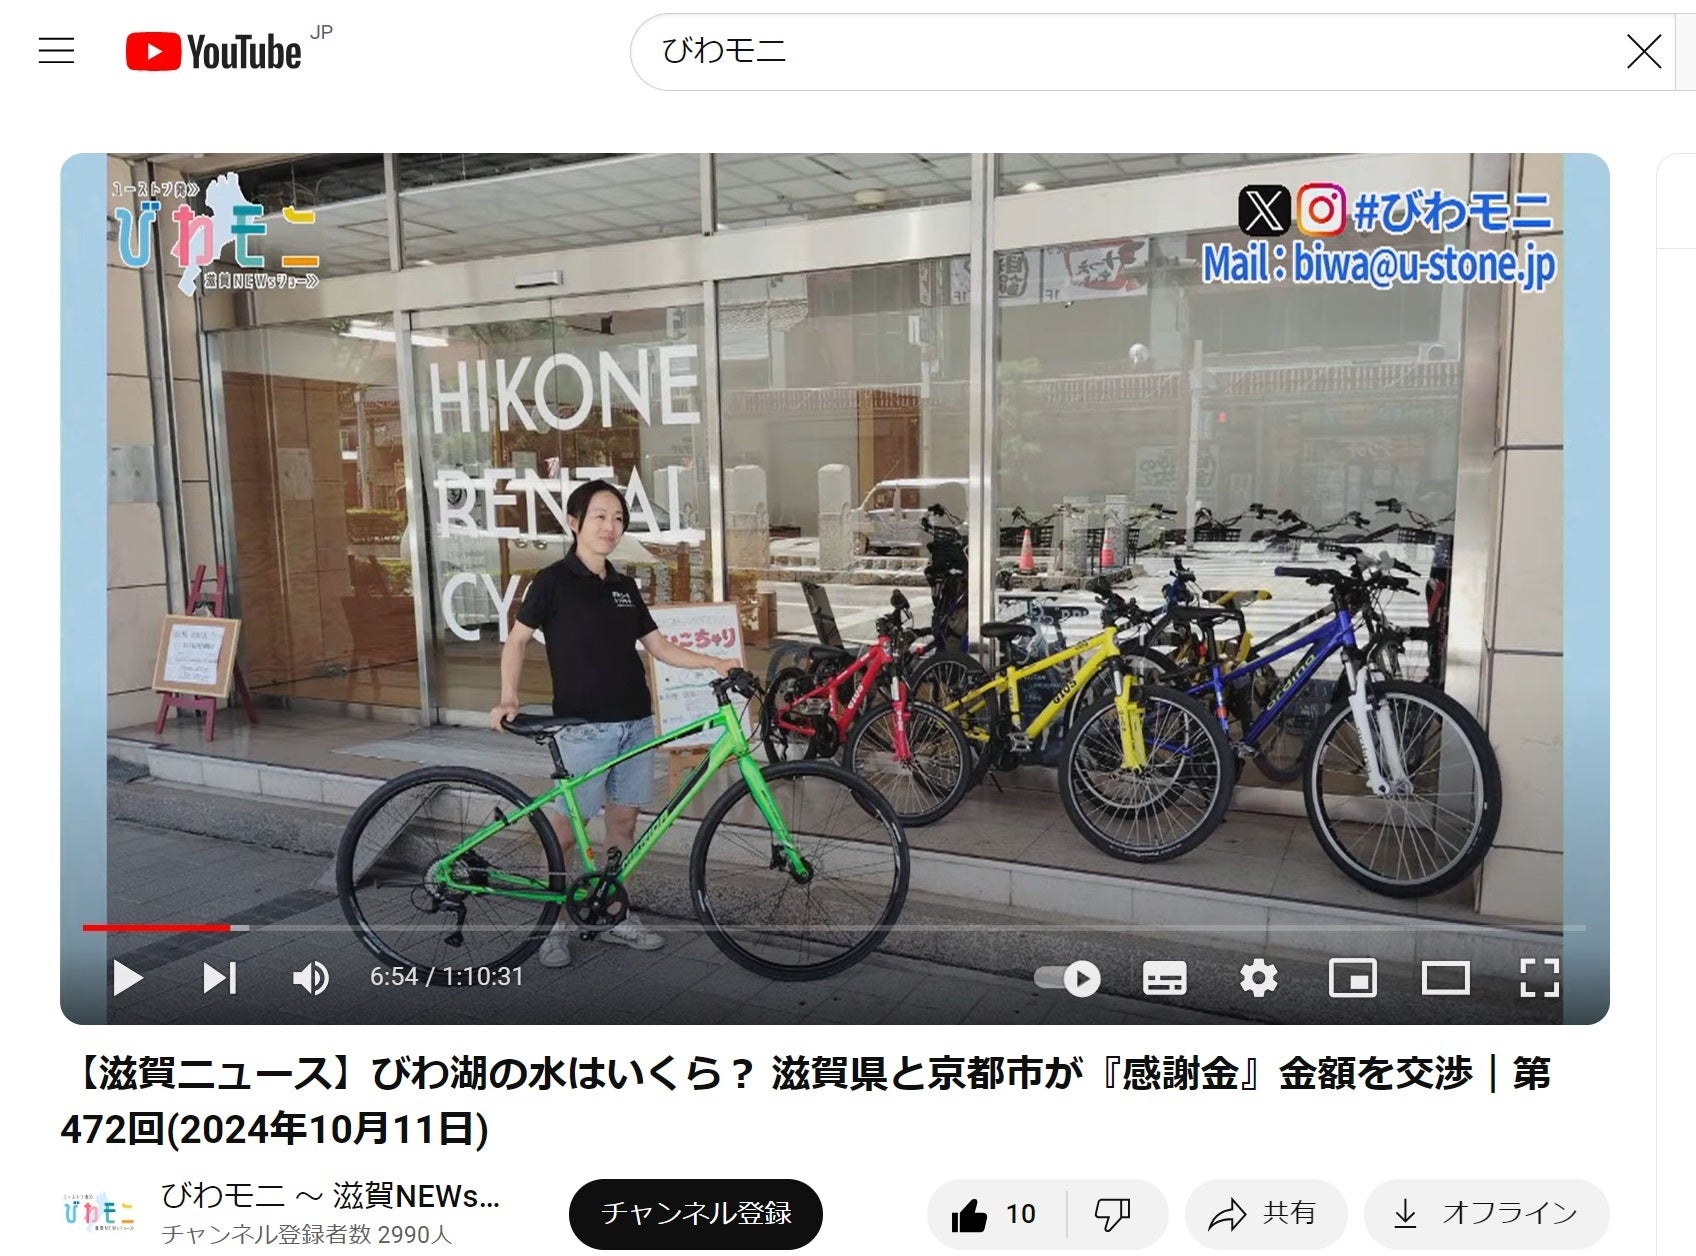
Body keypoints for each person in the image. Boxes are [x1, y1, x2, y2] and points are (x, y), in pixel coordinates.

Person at [489, 478, 737, 968]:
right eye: (600, 516)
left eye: (618, 518)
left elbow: (658, 646)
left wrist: (714, 663)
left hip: (636, 724)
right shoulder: (552, 581)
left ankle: (611, 911)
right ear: (574, 522)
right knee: (565, 832)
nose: (610, 526)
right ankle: (553, 924)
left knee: (624, 824)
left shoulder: (624, 587)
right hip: (584, 728)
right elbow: (517, 641)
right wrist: (508, 697)